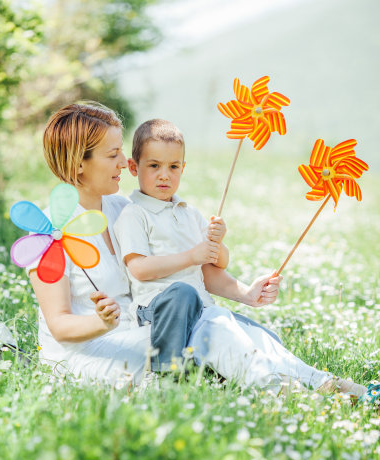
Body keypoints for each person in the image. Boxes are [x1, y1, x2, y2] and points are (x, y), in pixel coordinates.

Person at [113, 118, 372, 398]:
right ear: (132, 167)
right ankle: (284, 390)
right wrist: (192, 255)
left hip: (203, 310)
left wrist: (234, 271)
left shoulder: (189, 213)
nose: (164, 175)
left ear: (183, 168)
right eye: (154, 166)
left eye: (173, 167)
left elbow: (213, 267)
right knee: (201, 311)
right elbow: (138, 269)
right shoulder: (134, 214)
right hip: (161, 314)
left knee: (257, 338)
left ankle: (325, 383)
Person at [27, 102, 281, 386]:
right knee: (215, 337)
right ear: (78, 163)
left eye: (121, 151)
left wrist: (246, 294)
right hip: (94, 351)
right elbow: (60, 325)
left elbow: (186, 268)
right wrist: (101, 322)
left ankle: (310, 382)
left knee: (253, 336)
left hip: (147, 333)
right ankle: (287, 389)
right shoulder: (48, 232)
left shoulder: (123, 209)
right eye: (113, 155)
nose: (125, 162)